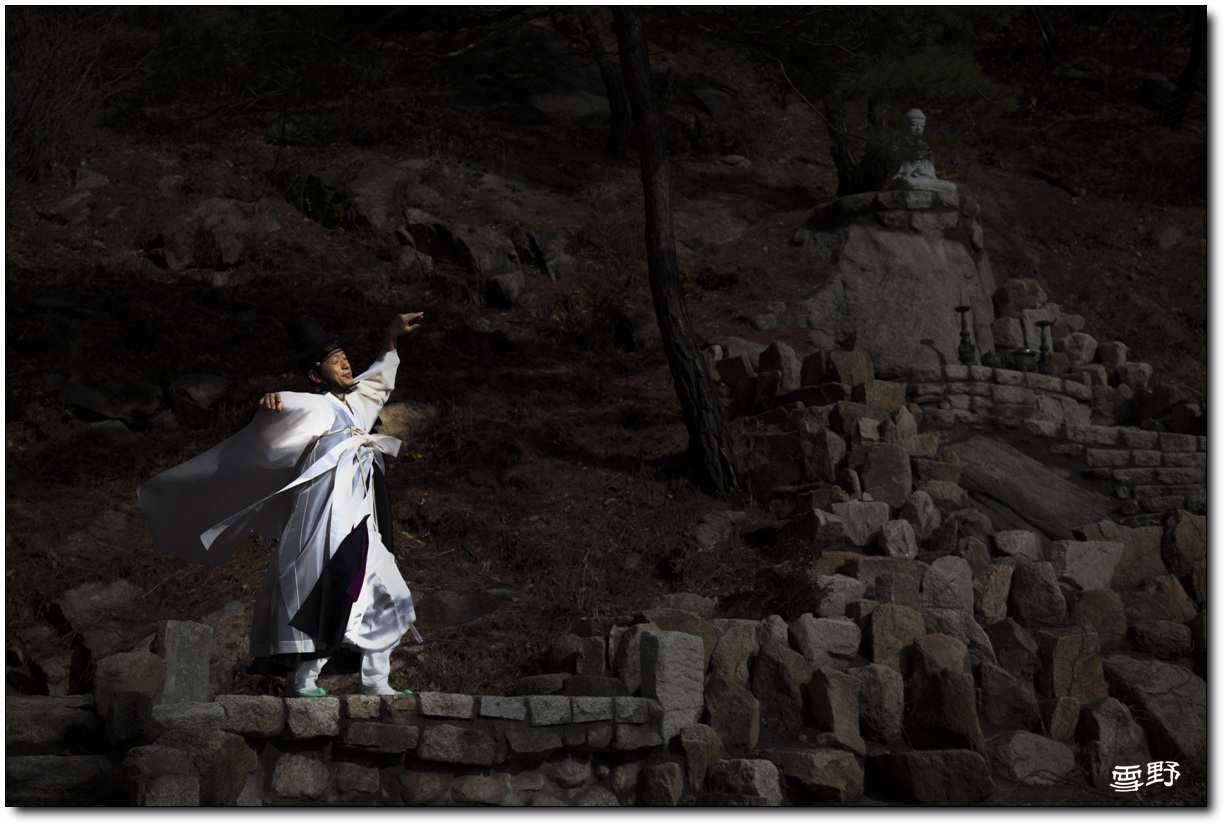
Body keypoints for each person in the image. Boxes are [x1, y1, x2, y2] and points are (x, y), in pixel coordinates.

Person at [139, 311, 425, 696]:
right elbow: (283, 411)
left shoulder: (357, 405)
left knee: (391, 594)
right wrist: (274, 400)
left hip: (367, 518)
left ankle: (375, 680)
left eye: (345, 356)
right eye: (334, 360)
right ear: (315, 375)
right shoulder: (313, 406)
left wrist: (391, 337)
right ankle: (305, 678)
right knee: (335, 588)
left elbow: (379, 379)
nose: (345, 363)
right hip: (331, 521)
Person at [890, 108, 957, 193]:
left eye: (922, 126)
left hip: (924, 180)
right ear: (906, 126)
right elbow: (896, 169)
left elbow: (932, 174)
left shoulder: (926, 148)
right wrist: (913, 166)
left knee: (951, 186)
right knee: (900, 182)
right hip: (907, 178)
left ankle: (924, 187)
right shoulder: (899, 146)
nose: (918, 128)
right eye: (914, 125)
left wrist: (924, 172)